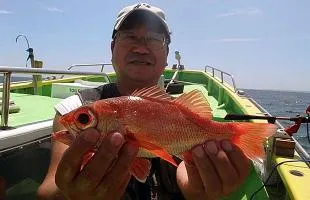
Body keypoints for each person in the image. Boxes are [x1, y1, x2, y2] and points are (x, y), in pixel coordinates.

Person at [37, 3, 250, 200]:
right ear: (112, 49)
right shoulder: (75, 106)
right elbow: (47, 191)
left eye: (154, 39)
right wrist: (67, 193)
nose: (140, 48)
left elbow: (187, 173)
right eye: (129, 37)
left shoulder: (181, 113)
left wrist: (198, 188)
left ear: (166, 54)